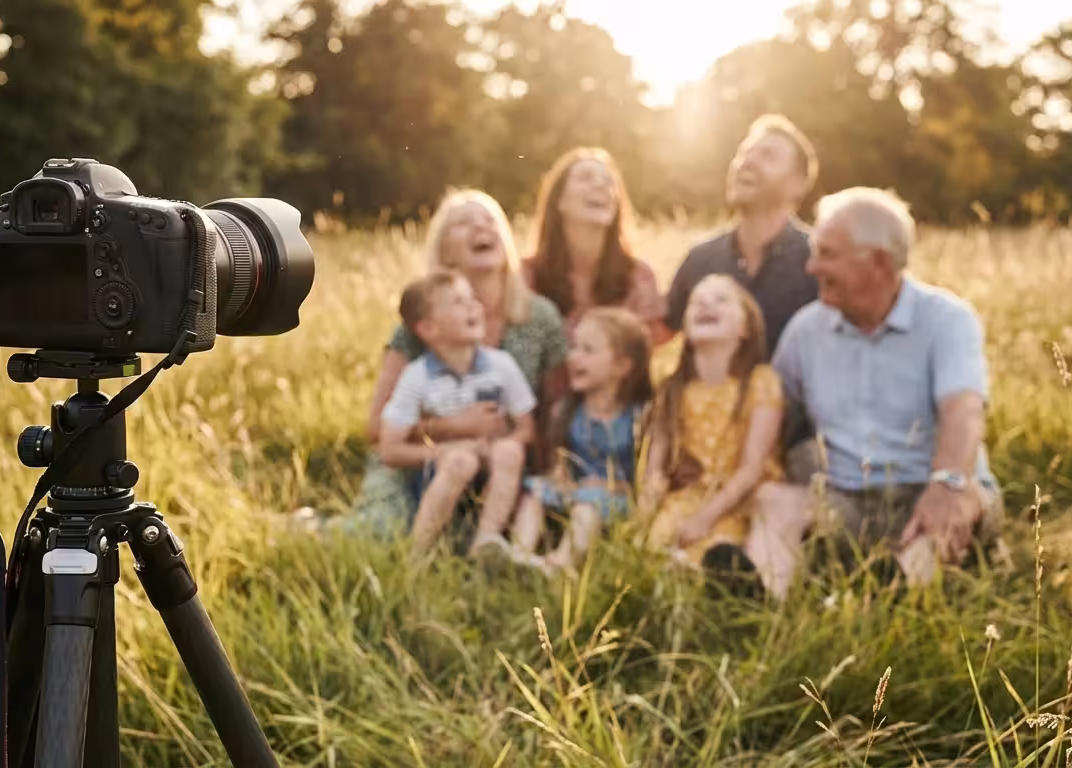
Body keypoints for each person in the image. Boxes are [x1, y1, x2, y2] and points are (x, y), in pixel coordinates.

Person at [772, 187, 1004, 587]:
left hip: (933, 485)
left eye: (827, 254)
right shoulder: (805, 331)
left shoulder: (947, 319)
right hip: (847, 498)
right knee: (777, 503)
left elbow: (963, 409)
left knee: (954, 510)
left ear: (878, 262)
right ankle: (764, 590)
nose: (811, 267)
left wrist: (946, 483)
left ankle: (899, 588)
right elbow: (772, 409)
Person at [352, 189, 567, 533]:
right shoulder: (422, 321)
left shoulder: (540, 317)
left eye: (489, 220)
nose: (481, 227)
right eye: (464, 223)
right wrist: (450, 428)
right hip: (420, 465)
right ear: (445, 252)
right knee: (383, 531)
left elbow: (557, 412)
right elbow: (378, 429)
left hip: (500, 465)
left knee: (478, 534)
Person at [638, 275, 809, 599]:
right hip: (686, 497)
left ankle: (718, 597)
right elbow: (655, 465)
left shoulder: (760, 382)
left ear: (745, 328)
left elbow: (751, 468)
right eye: (697, 300)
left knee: (715, 550)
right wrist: (646, 511)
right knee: (655, 546)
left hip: (737, 502)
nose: (706, 304)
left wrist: (705, 517)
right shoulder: (673, 387)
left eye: (721, 299)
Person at [377, 272, 536, 558]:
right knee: (461, 460)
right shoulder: (418, 376)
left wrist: (496, 450)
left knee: (510, 451)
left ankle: (485, 544)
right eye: (458, 302)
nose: (473, 306)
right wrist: (445, 451)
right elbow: (389, 449)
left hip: (493, 473)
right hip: (441, 475)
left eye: (472, 299)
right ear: (428, 329)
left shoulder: (501, 365)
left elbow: (526, 428)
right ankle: (417, 554)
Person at [508, 307, 655, 574]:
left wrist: (610, 486)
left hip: (617, 499)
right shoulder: (567, 410)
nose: (574, 357)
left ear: (622, 366)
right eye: (574, 347)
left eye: (588, 350)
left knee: (588, 506)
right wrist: (562, 481)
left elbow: (647, 479)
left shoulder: (640, 415)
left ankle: (561, 564)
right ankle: (519, 557)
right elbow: (560, 464)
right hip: (574, 489)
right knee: (536, 493)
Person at [664, 115, 821, 355]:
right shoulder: (700, 259)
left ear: (797, 184)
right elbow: (656, 335)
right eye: (744, 153)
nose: (747, 162)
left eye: (767, 155)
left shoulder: (820, 261)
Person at [522, 147, 668, 347]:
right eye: (585, 177)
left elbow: (643, 362)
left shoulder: (639, 278)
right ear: (560, 200)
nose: (600, 184)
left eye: (609, 181)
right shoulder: (526, 278)